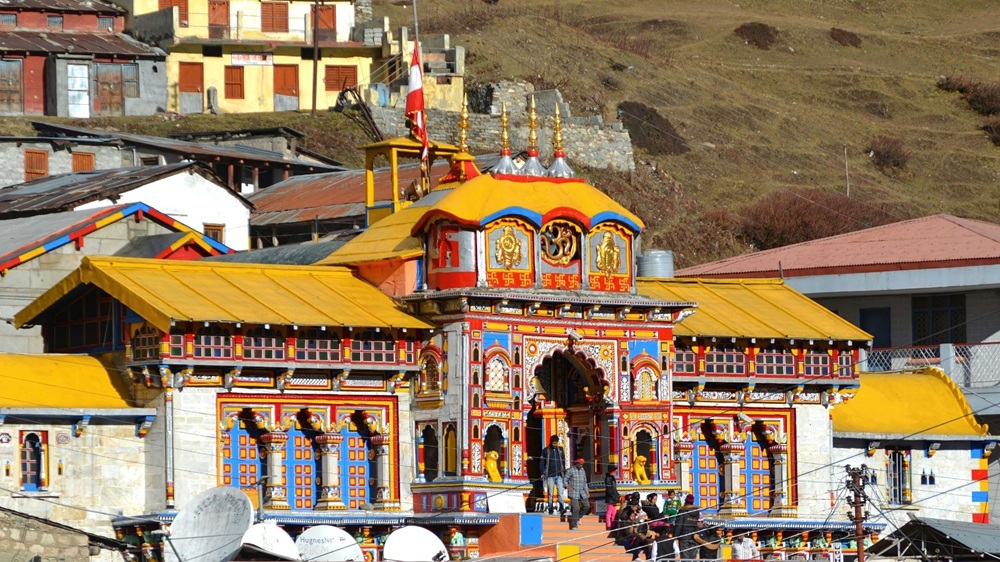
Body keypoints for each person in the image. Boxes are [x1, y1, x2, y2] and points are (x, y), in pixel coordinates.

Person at [539, 435, 568, 515]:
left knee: (560, 492)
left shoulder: (561, 450)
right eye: (554, 443)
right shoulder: (545, 451)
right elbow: (542, 463)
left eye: (556, 443)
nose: (555, 444)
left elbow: (563, 462)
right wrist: (542, 472)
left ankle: (562, 508)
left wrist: (564, 473)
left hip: (559, 475)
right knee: (550, 493)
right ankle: (550, 508)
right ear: (551, 442)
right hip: (550, 475)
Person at [565, 457, 591, 530]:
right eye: (580, 464)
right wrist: (567, 486)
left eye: (582, 464)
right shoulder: (571, 470)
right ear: (577, 463)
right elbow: (565, 480)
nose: (581, 465)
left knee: (587, 506)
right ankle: (574, 525)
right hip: (574, 492)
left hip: (582, 492)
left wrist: (587, 491)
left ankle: (577, 518)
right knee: (576, 508)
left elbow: (585, 482)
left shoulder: (583, 471)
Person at [673, 494, 700, 561]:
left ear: (685, 501)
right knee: (692, 558)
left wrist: (675, 536)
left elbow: (679, 525)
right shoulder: (696, 512)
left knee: (685, 558)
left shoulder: (683, 511)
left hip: (684, 537)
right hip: (694, 537)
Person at [604, 465, 622, 530]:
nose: (616, 471)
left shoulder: (612, 478)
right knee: (609, 512)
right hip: (610, 498)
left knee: (614, 512)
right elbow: (609, 489)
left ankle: (613, 525)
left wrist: (617, 496)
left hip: (614, 497)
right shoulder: (608, 478)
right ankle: (609, 525)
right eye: (615, 470)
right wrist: (614, 496)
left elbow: (614, 488)